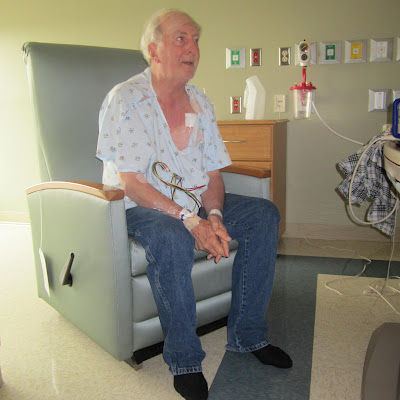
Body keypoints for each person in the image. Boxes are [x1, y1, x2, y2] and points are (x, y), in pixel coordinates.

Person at [96, 9, 292, 400]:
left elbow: (213, 174)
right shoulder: (128, 99)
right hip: (141, 207)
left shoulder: (200, 101)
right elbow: (131, 182)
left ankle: (248, 335)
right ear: (154, 50)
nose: (193, 48)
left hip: (191, 201)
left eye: (196, 40)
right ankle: (185, 360)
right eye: (181, 38)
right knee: (173, 237)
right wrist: (190, 220)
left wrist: (214, 215)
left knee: (263, 215)